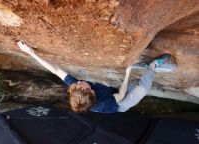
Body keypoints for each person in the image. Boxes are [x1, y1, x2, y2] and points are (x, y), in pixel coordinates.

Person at [17, 41, 171, 113]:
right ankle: (152, 66)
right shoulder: (103, 105)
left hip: (110, 92)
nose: (82, 82)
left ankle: (144, 70)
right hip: (120, 103)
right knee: (141, 89)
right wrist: (127, 73)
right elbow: (121, 95)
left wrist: (32, 53)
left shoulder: (77, 88)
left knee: (130, 86)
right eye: (85, 86)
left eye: (79, 85)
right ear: (92, 93)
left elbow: (56, 70)